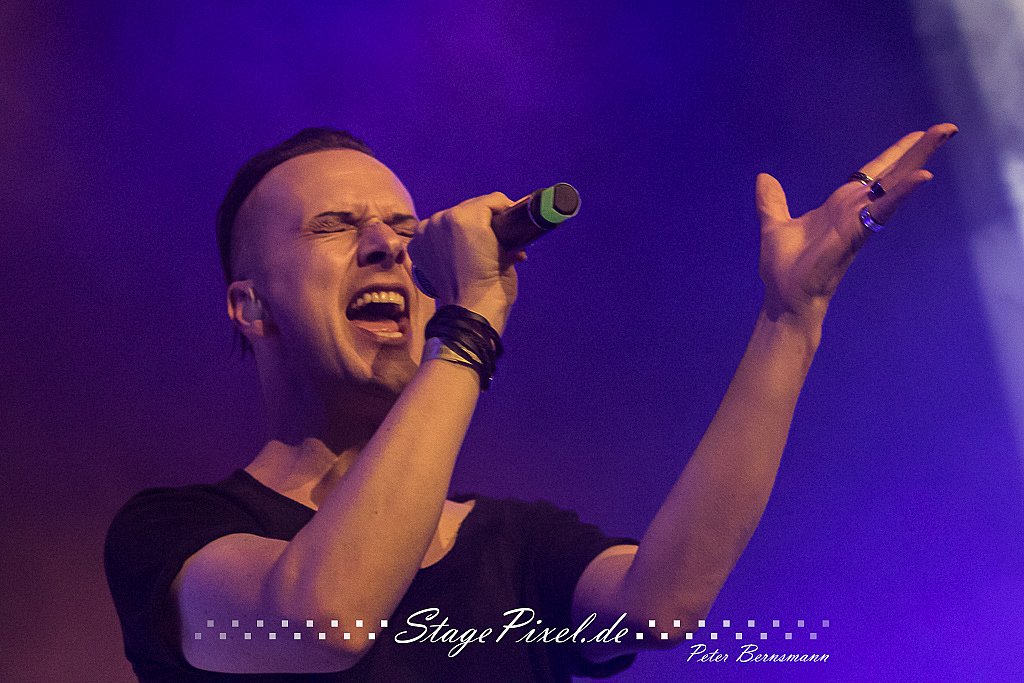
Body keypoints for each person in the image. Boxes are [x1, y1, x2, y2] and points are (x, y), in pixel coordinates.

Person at [104, 124, 957, 681]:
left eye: (405, 230)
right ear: (250, 306)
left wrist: (790, 319)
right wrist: (471, 323)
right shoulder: (175, 535)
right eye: (335, 225)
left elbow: (662, 607)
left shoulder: (513, 544)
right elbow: (327, 617)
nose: (386, 246)